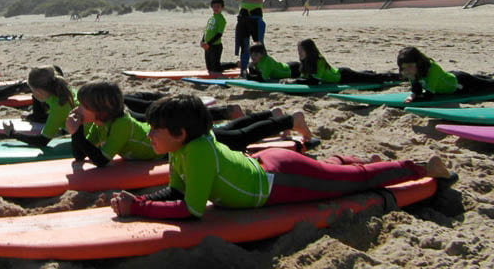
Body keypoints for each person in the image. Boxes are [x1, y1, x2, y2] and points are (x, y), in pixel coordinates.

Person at [110, 94, 452, 219]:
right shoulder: (181, 147)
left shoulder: (197, 152)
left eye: (155, 130)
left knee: (355, 184)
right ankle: (344, 159)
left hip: (282, 181)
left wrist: (139, 208)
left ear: (180, 133)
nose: (149, 135)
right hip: (272, 163)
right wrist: (137, 198)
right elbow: (177, 192)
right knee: (328, 174)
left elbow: (193, 210)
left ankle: (421, 166)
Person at [64, 81, 162, 167]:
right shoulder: (99, 124)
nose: (77, 109)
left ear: (101, 110)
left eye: (83, 106)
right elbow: (79, 155)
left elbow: (101, 161)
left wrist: (76, 133)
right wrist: (77, 130)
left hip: (162, 150)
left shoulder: (122, 124)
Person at [397, 46, 494, 103]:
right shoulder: (413, 71)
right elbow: (416, 89)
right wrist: (413, 95)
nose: (407, 71)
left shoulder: (432, 68)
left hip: (461, 83)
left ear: (418, 62)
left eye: (410, 66)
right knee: (481, 80)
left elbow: (429, 95)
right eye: (404, 68)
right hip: (448, 77)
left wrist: (415, 98)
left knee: (489, 86)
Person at [234, 0, 270, 77]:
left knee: (258, 44)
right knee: (243, 44)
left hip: (255, 13)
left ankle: (263, 69)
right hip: (243, 14)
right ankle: (243, 71)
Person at [297, 38, 396, 84]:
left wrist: (294, 81)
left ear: (308, 50)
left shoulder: (319, 61)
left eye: (301, 50)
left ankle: (397, 77)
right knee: (363, 75)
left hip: (344, 76)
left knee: (374, 79)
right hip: (341, 74)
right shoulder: (305, 62)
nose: (299, 52)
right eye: (298, 50)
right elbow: (304, 78)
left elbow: (314, 81)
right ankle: (368, 72)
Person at [200, 0, 238, 73]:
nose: (215, 8)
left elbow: (219, 34)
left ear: (222, 7)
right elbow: (206, 31)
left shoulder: (221, 19)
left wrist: (209, 43)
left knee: (215, 68)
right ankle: (233, 64)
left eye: (218, 7)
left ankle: (235, 64)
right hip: (207, 46)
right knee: (210, 68)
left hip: (216, 46)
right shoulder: (211, 18)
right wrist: (202, 41)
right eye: (214, 6)